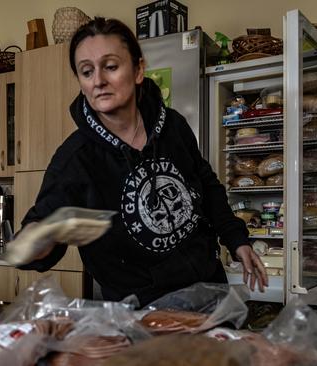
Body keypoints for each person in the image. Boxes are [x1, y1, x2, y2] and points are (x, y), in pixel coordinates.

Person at [19, 17, 268, 306]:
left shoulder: (173, 125)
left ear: (138, 70)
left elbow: (207, 185)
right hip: (142, 316)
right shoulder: (75, 160)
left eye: (111, 67)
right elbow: (38, 234)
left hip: (210, 291)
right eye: (86, 72)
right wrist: (36, 242)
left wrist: (236, 239)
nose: (98, 80)